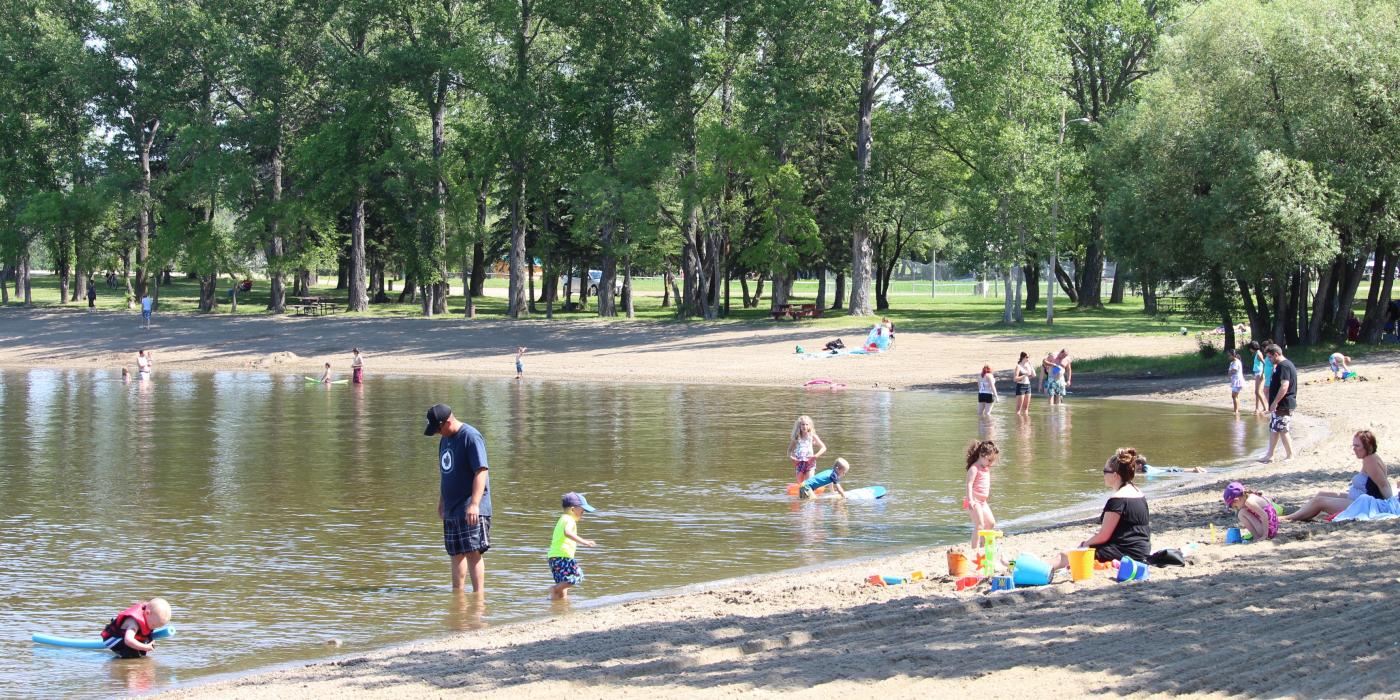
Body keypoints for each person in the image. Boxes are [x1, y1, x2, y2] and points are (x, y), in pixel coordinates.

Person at [425, 403, 492, 592]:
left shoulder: (470, 436)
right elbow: (446, 473)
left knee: (473, 551)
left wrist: (474, 504)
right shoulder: (445, 440)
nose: (437, 433)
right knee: (455, 553)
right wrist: (442, 501)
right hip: (452, 507)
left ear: (447, 422)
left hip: (471, 506)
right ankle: (458, 596)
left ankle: (479, 596)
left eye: (437, 429)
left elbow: (481, 471)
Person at [1055, 448, 1150, 569]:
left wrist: (1083, 544)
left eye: (1105, 471)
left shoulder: (1117, 500)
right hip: (1142, 550)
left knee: (1065, 555)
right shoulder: (1138, 492)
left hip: (1126, 552)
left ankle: (1043, 570)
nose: (1104, 475)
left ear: (1115, 475)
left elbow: (1104, 536)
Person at [1284, 430, 1393, 522]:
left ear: (1367, 446)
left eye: (1357, 446)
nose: (1354, 448)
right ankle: (1301, 513)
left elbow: (1384, 485)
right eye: (1353, 445)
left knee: (1320, 501)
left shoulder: (1370, 461)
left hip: (1364, 505)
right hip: (1358, 498)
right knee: (1321, 493)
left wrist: (1391, 505)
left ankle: (1288, 518)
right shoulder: (1370, 458)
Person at [548, 492, 597, 600]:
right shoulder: (570, 520)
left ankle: (560, 606)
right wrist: (584, 542)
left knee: (563, 585)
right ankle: (554, 590)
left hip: (554, 557)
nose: (583, 513)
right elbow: (567, 532)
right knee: (577, 576)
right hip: (562, 557)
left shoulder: (562, 519)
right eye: (582, 511)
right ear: (573, 510)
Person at [100, 598, 172, 658]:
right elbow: (128, 640)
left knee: (141, 653)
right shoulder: (134, 623)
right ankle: (122, 665)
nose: (153, 628)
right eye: (153, 625)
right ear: (147, 613)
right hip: (113, 639)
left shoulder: (149, 619)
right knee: (131, 652)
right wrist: (145, 647)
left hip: (125, 639)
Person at [1260, 344, 1297, 463]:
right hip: (1279, 405)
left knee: (1282, 429)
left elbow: (1285, 385)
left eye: (1270, 357)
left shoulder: (1284, 366)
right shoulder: (1280, 366)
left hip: (1284, 404)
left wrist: (1275, 402)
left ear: (1276, 354)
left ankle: (1290, 455)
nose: (1269, 360)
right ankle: (1270, 455)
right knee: (1274, 429)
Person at [963, 440, 998, 550]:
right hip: (974, 501)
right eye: (989, 460)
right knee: (979, 524)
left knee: (991, 523)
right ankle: (974, 549)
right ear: (982, 455)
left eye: (992, 461)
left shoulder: (985, 468)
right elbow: (969, 484)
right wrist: (970, 500)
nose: (990, 463)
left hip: (983, 502)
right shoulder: (974, 468)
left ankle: (983, 546)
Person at [788, 415, 827, 484]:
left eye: (806, 424)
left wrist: (815, 456)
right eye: (803, 424)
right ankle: (802, 494)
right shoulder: (796, 437)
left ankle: (811, 492)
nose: (804, 426)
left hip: (810, 462)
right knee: (801, 485)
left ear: (809, 426)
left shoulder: (812, 436)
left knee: (809, 483)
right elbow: (789, 451)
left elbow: (823, 447)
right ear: (799, 426)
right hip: (799, 463)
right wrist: (792, 458)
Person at [1249, 341, 1267, 415]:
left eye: (1250, 348)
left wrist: (1262, 374)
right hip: (1257, 373)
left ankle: (1265, 408)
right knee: (1257, 392)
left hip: (1259, 373)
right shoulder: (1257, 353)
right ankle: (1257, 408)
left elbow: (1264, 363)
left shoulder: (1259, 354)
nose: (1250, 350)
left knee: (1257, 392)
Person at [1226, 348, 1244, 416]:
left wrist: (1230, 372)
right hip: (1234, 381)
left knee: (1234, 396)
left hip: (1237, 381)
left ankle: (1236, 411)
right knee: (1236, 396)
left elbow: (1234, 370)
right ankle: (1236, 410)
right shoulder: (1232, 362)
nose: (1228, 357)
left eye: (1229, 355)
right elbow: (1230, 371)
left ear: (1233, 355)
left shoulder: (1236, 362)